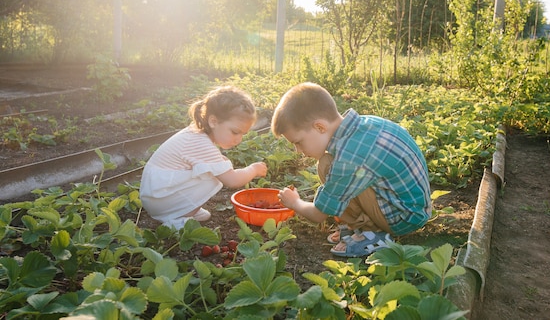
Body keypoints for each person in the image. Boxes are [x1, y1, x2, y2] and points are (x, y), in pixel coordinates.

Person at [272, 82, 431, 257]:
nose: (298, 151)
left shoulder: (349, 158)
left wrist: (295, 202)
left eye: (298, 142)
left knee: (328, 168)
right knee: (328, 164)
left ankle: (372, 232)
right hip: (411, 206)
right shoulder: (364, 125)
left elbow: (319, 215)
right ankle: (363, 223)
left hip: (404, 219)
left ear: (320, 127)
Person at [140, 86, 267, 229]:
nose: (239, 140)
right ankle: (175, 219)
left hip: (157, 195)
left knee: (214, 169)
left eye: (243, 134)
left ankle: (185, 210)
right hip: (160, 199)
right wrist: (253, 169)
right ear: (213, 121)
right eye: (235, 132)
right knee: (214, 174)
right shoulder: (200, 143)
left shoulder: (196, 134)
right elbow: (233, 180)